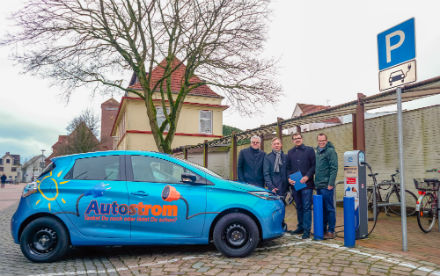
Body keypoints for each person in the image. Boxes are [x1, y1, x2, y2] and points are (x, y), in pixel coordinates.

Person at [286, 132, 316, 239]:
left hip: (307, 183)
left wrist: (307, 176)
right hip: (295, 184)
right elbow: (288, 168)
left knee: (306, 207)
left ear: (302, 138)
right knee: (298, 206)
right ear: (293, 140)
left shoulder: (310, 150)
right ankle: (300, 227)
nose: (297, 140)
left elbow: (313, 166)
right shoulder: (290, 153)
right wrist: (289, 178)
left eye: (298, 138)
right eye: (295, 138)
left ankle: (307, 230)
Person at [315, 133, 338, 239]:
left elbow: (334, 168)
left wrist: (331, 183)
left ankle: (331, 230)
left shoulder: (330, 151)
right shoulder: (317, 152)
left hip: (326, 186)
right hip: (319, 185)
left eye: (323, 140)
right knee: (322, 209)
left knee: (329, 209)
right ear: (317, 141)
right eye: (320, 141)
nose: (321, 142)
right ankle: (323, 229)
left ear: (326, 140)